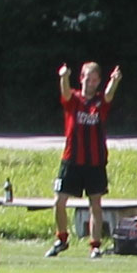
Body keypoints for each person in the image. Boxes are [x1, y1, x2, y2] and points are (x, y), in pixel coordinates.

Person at [49, 60, 122, 258]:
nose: (90, 83)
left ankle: (95, 245)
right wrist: (63, 76)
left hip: (95, 162)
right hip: (71, 159)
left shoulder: (99, 102)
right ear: (81, 78)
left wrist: (114, 81)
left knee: (95, 204)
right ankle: (61, 239)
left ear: (98, 81)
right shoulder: (74, 98)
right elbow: (64, 92)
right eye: (87, 78)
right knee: (59, 201)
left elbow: (108, 96)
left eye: (94, 80)